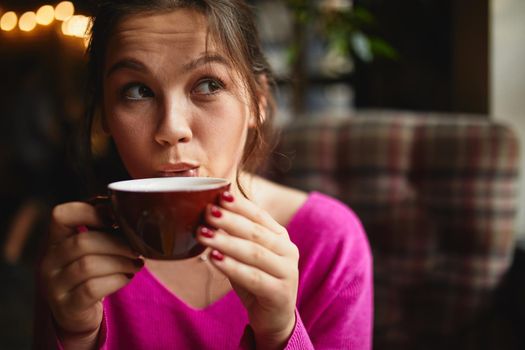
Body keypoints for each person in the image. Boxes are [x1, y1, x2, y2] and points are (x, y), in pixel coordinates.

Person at [35, 1, 373, 349]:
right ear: (105, 114)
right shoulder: (75, 259)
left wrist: (279, 333)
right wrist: (74, 335)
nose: (171, 128)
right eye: (137, 91)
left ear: (258, 100)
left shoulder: (329, 243)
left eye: (209, 85)